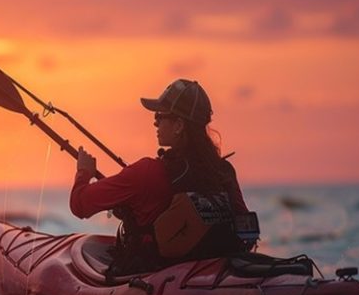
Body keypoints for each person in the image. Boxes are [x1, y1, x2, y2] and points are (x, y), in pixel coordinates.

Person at [69, 79, 254, 277]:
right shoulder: (224, 171)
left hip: (158, 278)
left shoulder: (146, 172)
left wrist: (84, 173)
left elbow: (79, 204)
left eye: (160, 116)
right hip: (217, 273)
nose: (155, 122)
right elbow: (246, 232)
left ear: (179, 125)